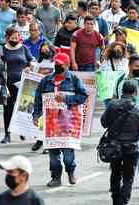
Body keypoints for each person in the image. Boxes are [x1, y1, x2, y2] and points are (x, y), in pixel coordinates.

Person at [33, 53, 87, 187]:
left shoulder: (74, 79)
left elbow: (83, 97)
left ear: (67, 65)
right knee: (53, 153)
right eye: (56, 64)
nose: (57, 66)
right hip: (51, 124)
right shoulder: (46, 80)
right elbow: (38, 98)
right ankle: (55, 177)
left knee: (68, 153)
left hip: (69, 122)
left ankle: (70, 172)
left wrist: (66, 99)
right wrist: (36, 114)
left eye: (60, 64)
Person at [101, 80, 139, 205]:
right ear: (135, 93)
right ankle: (123, 201)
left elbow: (103, 123)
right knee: (128, 177)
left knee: (115, 173)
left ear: (121, 91)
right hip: (131, 148)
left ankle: (116, 200)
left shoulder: (112, 105)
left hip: (114, 147)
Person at [112, 54, 139, 189]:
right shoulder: (120, 80)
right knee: (117, 152)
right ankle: (117, 181)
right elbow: (114, 99)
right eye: (137, 66)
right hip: (120, 123)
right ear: (129, 66)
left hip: (138, 122)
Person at [2, 27, 35, 144]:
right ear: (7, 38)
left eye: (17, 38)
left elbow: (32, 60)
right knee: (8, 109)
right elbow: (0, 63)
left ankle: (22, 130)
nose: (15, 40)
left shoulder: (24, 48)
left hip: (23, 84)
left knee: (22, 108)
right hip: (8, 84)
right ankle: (7, 134)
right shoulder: (3, 49)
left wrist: (29, 66)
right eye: (12, 38)